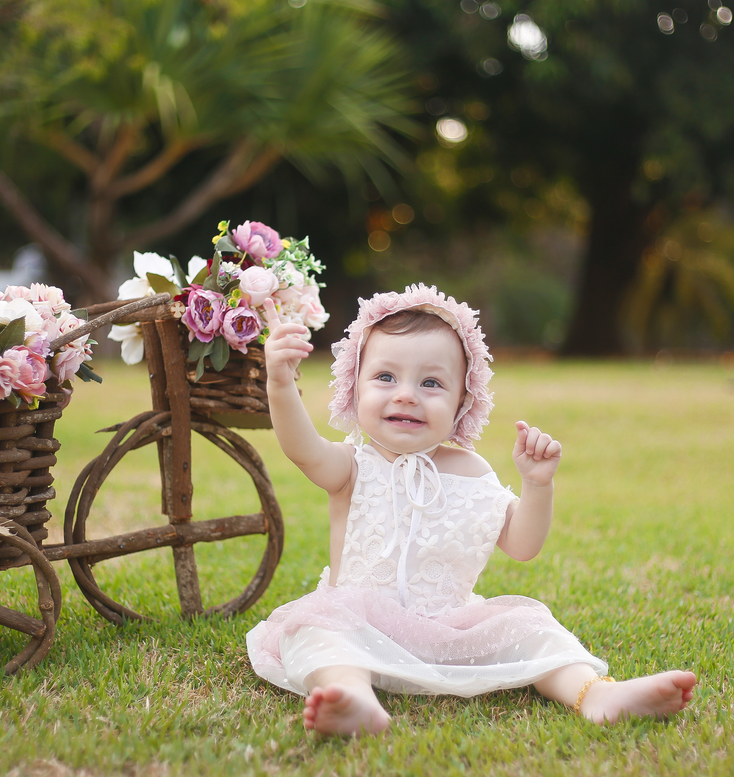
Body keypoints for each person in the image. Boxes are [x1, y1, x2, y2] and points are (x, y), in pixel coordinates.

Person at [246, 284, 696, 737]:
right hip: (360, 626)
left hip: (449, 631)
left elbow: (522, 545)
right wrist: (280, 382)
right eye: (385, 377)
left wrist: (537, 486)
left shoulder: (472, 471)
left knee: (530, 627)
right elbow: (301, 449)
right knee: (320, 630)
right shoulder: (353, 464)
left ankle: (595, 693)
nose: (406, 395)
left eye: (431, 383)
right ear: (353, 386)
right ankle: (354, 700)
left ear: (463, 402)